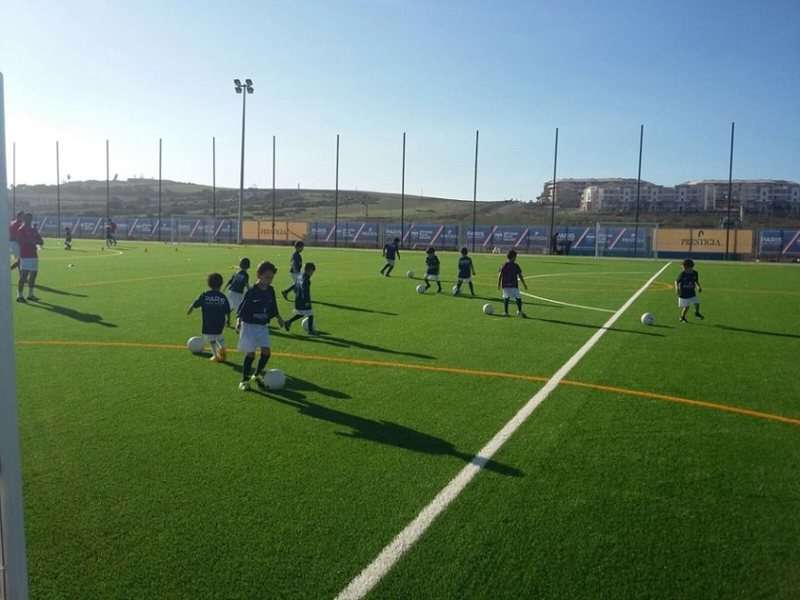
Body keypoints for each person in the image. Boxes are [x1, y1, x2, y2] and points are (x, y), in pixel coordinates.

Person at [237, 261, 285, 391]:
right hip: (249, 326)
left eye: (271, 278)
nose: (269, 280)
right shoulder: (252, 291)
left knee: (266, 352)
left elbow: (273, 306)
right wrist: (238, 322)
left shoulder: (271, 290)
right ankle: (244, 381)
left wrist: (279, 318)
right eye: (267, 277)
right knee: (251, 354)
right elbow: (242, 309)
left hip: (262, 327)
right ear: (259, 275)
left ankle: (256, 374)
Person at [187, 273, 231, 362]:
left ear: (208, 284)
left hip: (208, 322)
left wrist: (190, 308)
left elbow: (195, 304)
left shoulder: (205, 295)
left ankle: (215, 355)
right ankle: (222, 347)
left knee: (212, 340)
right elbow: (227, 310)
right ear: (221, 284)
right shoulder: (222, 297)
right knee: (219, 336)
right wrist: (228, 321)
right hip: (220, 322)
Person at [15, 213, 43, 303]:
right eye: (27, 219)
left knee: (33, 275)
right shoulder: (21, 229)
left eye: (30, 219)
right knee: (23, 276)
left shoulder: (33, 230)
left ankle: (30, 295)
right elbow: (21, 241)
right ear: (24, 219)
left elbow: (41, 241)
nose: (29, 221)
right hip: (25, 255)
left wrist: (34, 240)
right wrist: (33, 241)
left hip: (34, 255)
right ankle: (19, 295)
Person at [284, 262, 317, 335]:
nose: (312, 274)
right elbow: (305, 291)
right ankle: (311, 331)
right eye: (312, 272)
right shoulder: (306, 280)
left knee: (301, 313)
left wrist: (288, 291)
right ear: (310, 270)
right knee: (310, 314)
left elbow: (295, 285)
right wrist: (307, 301)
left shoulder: (300, 276)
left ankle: (288, 322)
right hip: (303, 300)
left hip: (298, 299)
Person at [497, 249, 528, 317]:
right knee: (518, 298)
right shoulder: (515, 265)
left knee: (506, 298)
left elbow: (500, 275)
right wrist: (524, 284)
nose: (516, 258)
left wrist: (498, 284)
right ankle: (519, 311)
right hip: (514, 285)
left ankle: (506, 312)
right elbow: (520, 276)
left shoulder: (504, 265)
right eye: (515, 257)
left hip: (506, 285)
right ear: (513, 257)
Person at [224, 257, 251, 326]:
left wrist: (224, 288)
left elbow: (229, 282)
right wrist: (250, 291)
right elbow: (246, 284)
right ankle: (238, 323)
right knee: (240, 310)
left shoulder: (236, 273)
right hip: (238, 293)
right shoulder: (246, 275)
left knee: (229, 307)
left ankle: (227, 321)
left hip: (230, 292)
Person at [676, 258, 704, 323]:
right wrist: (677, 288)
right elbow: (676, 281)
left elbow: (696, 281)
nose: (683, 268)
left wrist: (698, 287)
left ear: (689, 267)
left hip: (692, 293)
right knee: (686, 307)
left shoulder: (695, 273)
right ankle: (682, 317)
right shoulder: (682, 274)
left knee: (697, 303)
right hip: (683, 294)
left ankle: (697, 313)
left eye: (684, 266)